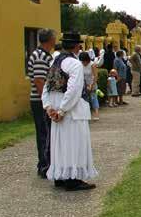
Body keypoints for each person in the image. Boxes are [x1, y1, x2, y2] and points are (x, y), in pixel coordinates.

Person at [41, 31, 98, 191]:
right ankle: (72, 178)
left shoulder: (55, 61)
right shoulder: (74, 64)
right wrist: (62, 110)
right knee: (74, 143)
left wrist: (49, 107)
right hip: (72, 110)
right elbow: (74, 89)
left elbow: (47, 86)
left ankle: (61, 175)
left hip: (56, 106)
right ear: (77, 46)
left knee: (60, 144)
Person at [26, 28, 55, 179]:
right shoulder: (39, 56)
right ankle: (44, 165)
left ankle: (46, 163)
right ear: (50, 39)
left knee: (46, 132)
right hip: (40, 101)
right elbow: (39, 81)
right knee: (44, 133)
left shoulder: (44, 55)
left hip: (41, 100)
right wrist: (47, 103)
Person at [79, 52, 100, 121]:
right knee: (85, 100)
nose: (83, 62)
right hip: (84, 84)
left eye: (84, 61)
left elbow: (95, 76)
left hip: (92, 83)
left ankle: (96, 114)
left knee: (94, 98)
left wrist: (92, 85)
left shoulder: (92, 64)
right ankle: (86, 114)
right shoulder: (80, 64)